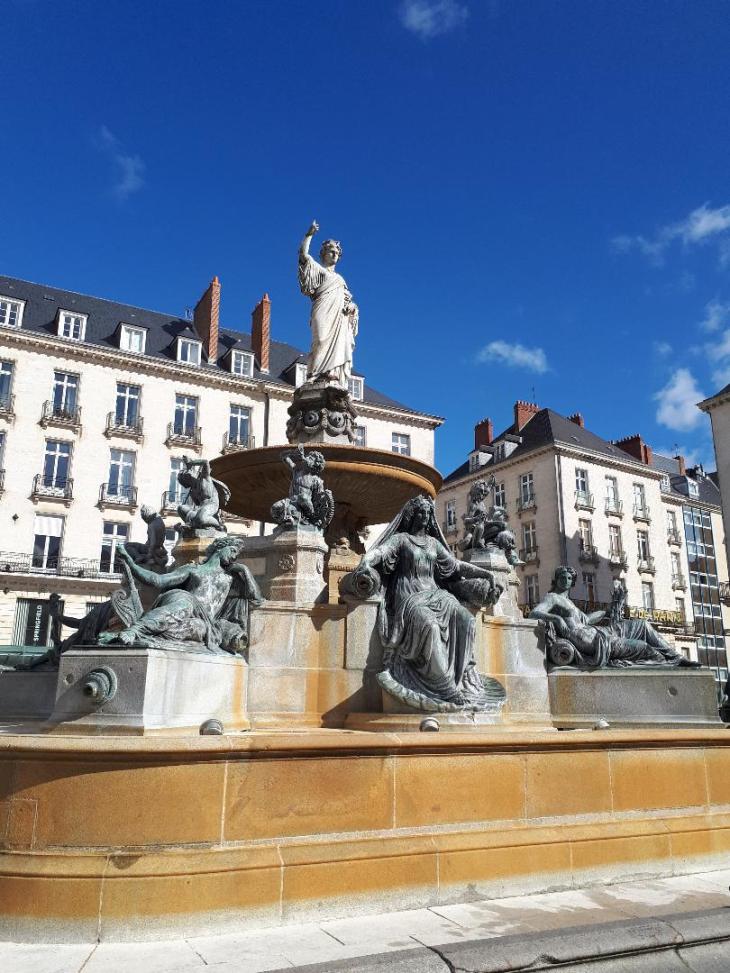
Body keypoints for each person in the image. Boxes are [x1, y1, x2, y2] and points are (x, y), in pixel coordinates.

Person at [347, 495, 504, 709]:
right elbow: (381, 552)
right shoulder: (401, 539)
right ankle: (445, 686)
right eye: (420, 512)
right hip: (410, 596)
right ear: (412, 515)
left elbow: (456, 566)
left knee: (466, 620)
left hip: (435, 594)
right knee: (429, 626)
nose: (424, 516)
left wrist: (485, 573)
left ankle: (462, 676)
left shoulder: (433, 543)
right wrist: (365, 560)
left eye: (427, 513)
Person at [98, 536, 263, 654]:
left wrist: (245, 571)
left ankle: (141, 635)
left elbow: (255, 599)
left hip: (204, 619)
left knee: (199, 628)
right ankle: (135, 630)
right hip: (181, 600)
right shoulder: (193, 569)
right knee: (185, 604)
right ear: (220, 548)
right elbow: (158, 581)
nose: (234, 556)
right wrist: (130, 562)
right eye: (233, 550)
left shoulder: (230, 578)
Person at [529, 566, 701, 668]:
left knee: (642, 625)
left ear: (572, 581)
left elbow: (587, 620)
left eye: (568, 578)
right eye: (562, 577)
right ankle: (666, 664)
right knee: (644, 648)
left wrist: (608, 610)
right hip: (594, 642)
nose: (565, 580)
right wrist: (556, 619)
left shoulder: (569, 602)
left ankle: (677, 658)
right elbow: (533, 613)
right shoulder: (552, 598)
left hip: (598, 631)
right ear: (556, 579)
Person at [298, 220, 359, 388]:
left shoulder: (340, 280)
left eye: (337, 253)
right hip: (322, 311)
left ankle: (330, 373)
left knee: (336, 343)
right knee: (320, 340)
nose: (334, 255)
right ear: (323, 253)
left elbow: (348, 301)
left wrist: (352, 308)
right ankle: (314, 375)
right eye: (331, 251)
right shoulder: (319, 270)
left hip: (339, 317)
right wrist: (309, 235)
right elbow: (303, 256)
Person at [177, 456, 230, 532]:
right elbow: (196, 504)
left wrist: (191, 463)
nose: (188, 478)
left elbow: (205, 462)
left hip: (211, 505)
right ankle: (190, 526)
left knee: (201, 518)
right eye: (186, 479)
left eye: (187, 476)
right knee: (181, 508)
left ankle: (219, 526)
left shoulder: (204, 477)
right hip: (201, 507)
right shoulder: (193, 490)